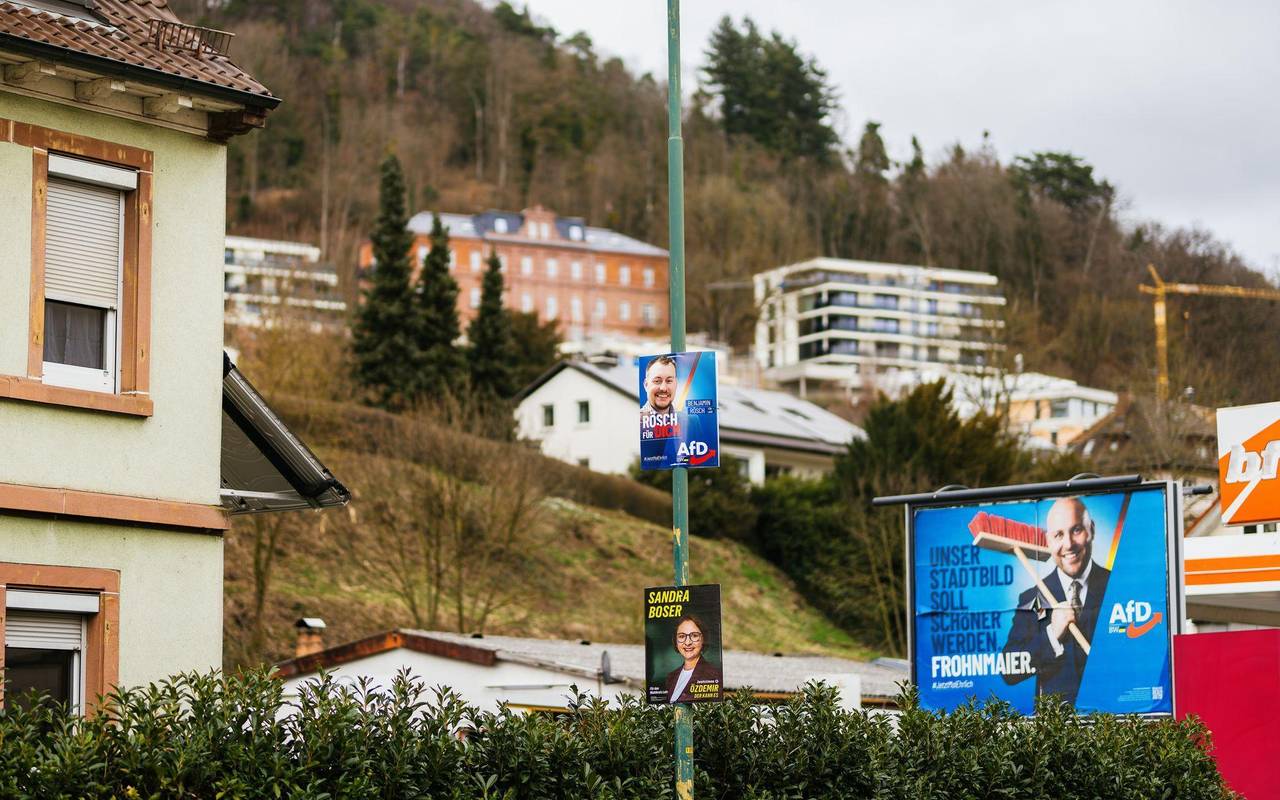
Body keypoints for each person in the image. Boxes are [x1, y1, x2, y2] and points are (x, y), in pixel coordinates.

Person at [1001, 496, 1111, 706]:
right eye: (1058, 535)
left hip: (1112, 718)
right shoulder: (1031, 598)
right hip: (1057, 728)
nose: (1068, 544)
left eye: (1076, 530)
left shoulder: (1117, 586)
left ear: (1092, 530)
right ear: (1048, 541)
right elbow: (1008, 670)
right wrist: (1052, 634)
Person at [664, 615, 722, 703]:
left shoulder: (714, 675)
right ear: (675, 641)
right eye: (681, 636)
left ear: (704, 639)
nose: (687, 642)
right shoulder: (671, 677)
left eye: (694, 635)